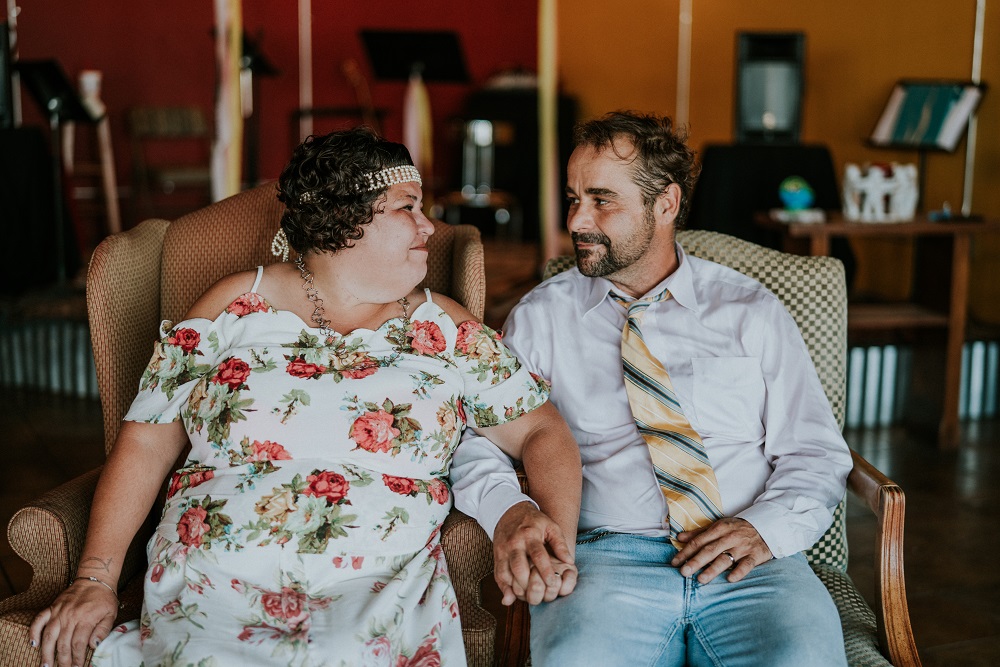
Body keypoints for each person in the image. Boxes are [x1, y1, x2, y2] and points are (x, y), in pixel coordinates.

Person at [30, 127, 581, 667]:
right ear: (346, 222)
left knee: (347, 656)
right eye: (406, 207)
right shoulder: (234, 306)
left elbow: (540, 429)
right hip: (216, 572)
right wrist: (94, 581)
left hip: (377, 582)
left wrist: (548, 534)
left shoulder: (443, 327)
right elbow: (147, 443)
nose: (428, 227)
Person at [451, 111, 853, 666]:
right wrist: (510, 510)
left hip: (753, 561)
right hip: (603, 561)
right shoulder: (540, 318)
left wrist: (766, 529)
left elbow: (815, 452)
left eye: (601, 200)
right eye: (572, 199)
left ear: (664, 204)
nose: (578, 220)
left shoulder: (751, 311)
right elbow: (478, 440)